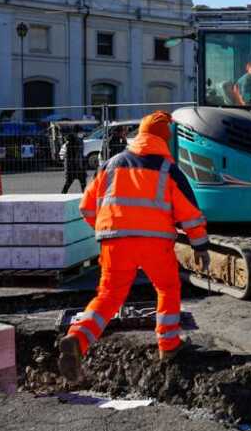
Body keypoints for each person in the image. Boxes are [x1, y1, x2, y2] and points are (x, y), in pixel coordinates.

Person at [57, 111, 210, 382]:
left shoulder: (111, 164)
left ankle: (77, 339)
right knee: (167, 288)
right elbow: (189, 214)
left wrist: (106, 230)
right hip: (155, 243)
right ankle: (168, 345)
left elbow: (86, 206)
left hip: (115, 242)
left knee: (109, 296)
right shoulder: (167, 169)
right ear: (165, 139)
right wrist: (200, 245)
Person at [61, 128, 87, 193]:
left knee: (80, 181)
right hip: (75, 167)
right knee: (72, 181)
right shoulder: (73, 142)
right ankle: (84, 195)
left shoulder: (78, 141)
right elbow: (73, 156)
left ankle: (84, 195)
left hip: (76, 166)